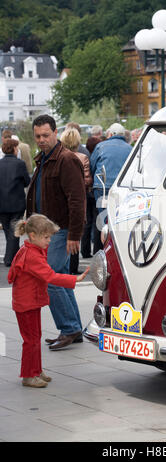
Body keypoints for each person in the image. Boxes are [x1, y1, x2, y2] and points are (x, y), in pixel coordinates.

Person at [8, 214, 89, 388]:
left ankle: (35, 370)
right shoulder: (33, 255)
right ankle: (29, 375)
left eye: (50, 237)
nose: (49, 241)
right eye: (46, 237)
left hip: (29, 302)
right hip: (27, 303)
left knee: (35, 337)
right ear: (33, 236)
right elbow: (50, 276)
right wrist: (75, 279)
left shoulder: (30, 249)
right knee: (31, 339)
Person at [26, 114, 86, 350]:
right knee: (59, 277)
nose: (41, 139)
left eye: (45, 135)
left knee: (49, 278)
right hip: (46, 230)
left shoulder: (66, 159)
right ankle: (73, 328)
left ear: (55, 133)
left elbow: (77, 200)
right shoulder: (44, 158)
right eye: (37, 136)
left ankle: (69, 328)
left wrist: (75, 234)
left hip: (61, 229)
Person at [60, 127, 92, 273]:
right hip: (79, 199)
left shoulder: (59, 156)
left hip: (61, 200)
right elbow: (87, 180)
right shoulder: (82, 157)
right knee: (75, 233)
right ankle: (73, 267)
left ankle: (62, 267)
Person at [0, 138, 30, 266]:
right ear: (13, 149)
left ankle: (14, 255)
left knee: (8, 231)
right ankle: (9, 258)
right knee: (14, 231)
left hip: (2, 203)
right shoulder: (20, 164)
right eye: (17, 148)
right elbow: (27, 181)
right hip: (16, 203)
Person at [90, 123, 132, 215]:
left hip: (102, 187)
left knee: (104, 217)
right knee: (118, 216)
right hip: (122, 187)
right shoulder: (130, 148)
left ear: (111, 134)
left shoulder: (100, 146)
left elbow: (92, 166)